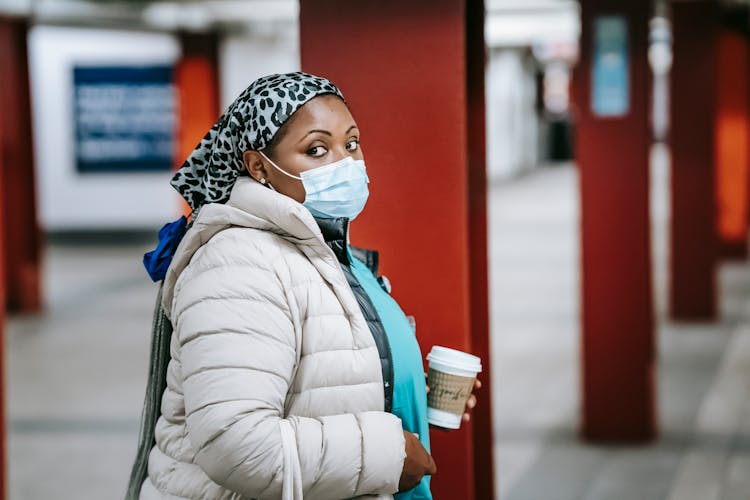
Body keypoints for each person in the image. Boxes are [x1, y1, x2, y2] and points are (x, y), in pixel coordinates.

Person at [127, 72, 477, 500]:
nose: (344, 163)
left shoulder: (325, 250)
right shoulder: (239, 263)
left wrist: (412, 390)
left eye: (351, 143)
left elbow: (317, 375)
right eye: (316, 149)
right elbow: (236, 444)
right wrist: (386, 454)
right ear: (258, 168)